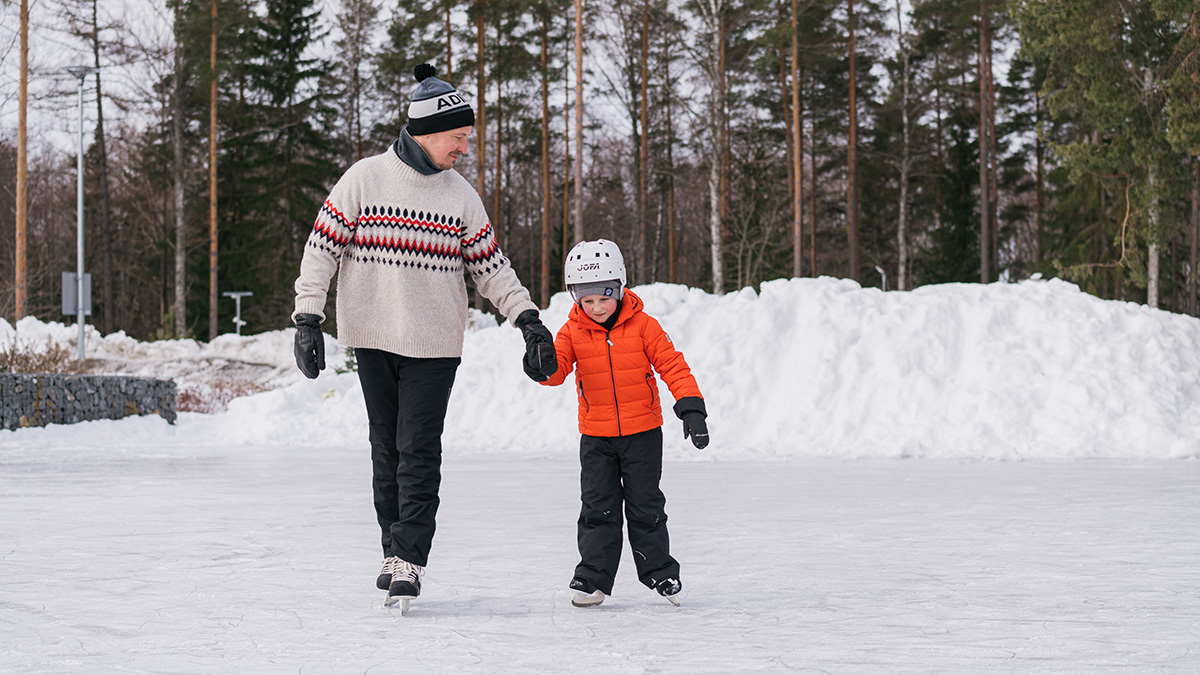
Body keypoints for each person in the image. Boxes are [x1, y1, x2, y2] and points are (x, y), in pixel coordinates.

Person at [291, 64, 557, 610]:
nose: (464, 147)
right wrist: (307, 318)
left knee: (417, 450)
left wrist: (527, 319)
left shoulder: (461, 197)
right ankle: (393, 548)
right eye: (459, 137)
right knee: (384, 449)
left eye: (466, 137)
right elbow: (322, 248)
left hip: (434, 345)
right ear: (427, 132)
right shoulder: (364, 180)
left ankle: (409, 560)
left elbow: (491, 268)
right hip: (373, 336)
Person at [537, 239, 709, 608]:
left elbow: (672, 365)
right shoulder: (571, 332)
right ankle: (592, 578)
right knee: (598, 508)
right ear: (576, 299)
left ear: (619, 289)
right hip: (596, 436)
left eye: (604, 297)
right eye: (587, 301)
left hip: (643, 434)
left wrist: (691, 406)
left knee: (646, 506)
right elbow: (557, 371)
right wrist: (540, 364)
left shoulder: (644, 326)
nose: (596, 308)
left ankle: (661, 572)